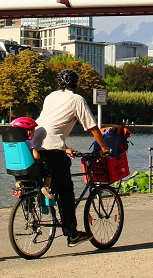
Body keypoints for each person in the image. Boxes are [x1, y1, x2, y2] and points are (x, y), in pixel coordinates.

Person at [34, 69, 111, 247]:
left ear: (58, 83)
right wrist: (105, 148)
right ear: (76, 84)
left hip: (36, 146)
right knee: (66, 192)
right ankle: (72, 234)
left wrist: (65, 147)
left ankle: (43, 195)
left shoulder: (50, 97)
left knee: (54, 181)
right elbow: (92, 127)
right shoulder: (77, 100)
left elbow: (50, 126)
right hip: (53, 150)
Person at [10, 116, 53, 200]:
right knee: (48, 167)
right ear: (28, 132)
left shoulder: (14, 144)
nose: (34, 135)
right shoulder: (27, 142)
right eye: (33, 132)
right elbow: (36, 156)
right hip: (30, 170)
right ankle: (46, 187)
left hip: (17, 171)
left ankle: (19, 182)